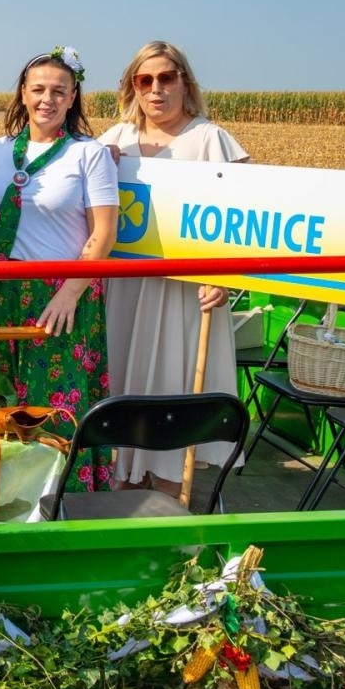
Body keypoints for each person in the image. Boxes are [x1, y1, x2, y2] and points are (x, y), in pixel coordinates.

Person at [0, 46, 119, 492]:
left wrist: (69, 293)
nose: (47, 99)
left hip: (60, 294)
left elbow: (104, 234)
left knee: (55, 404)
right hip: (2, 289)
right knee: (2, 396)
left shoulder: (88, 155)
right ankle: (8, 496)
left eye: (58, 91)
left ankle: (63, 498)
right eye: (38, 89)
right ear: (23, 93)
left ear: (73, 98)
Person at [101, 41, 250, 496]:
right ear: (132, 87)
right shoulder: (115, 140)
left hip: (184, 292)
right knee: (123, 381)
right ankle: (121, 492)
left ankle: (167, 503)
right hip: (125, 287)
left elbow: (248, 218)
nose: (156, 89)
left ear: (185, 80)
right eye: (144, 81)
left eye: (167, 78)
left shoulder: (210, 139)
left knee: (173, 385)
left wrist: (225, 278)